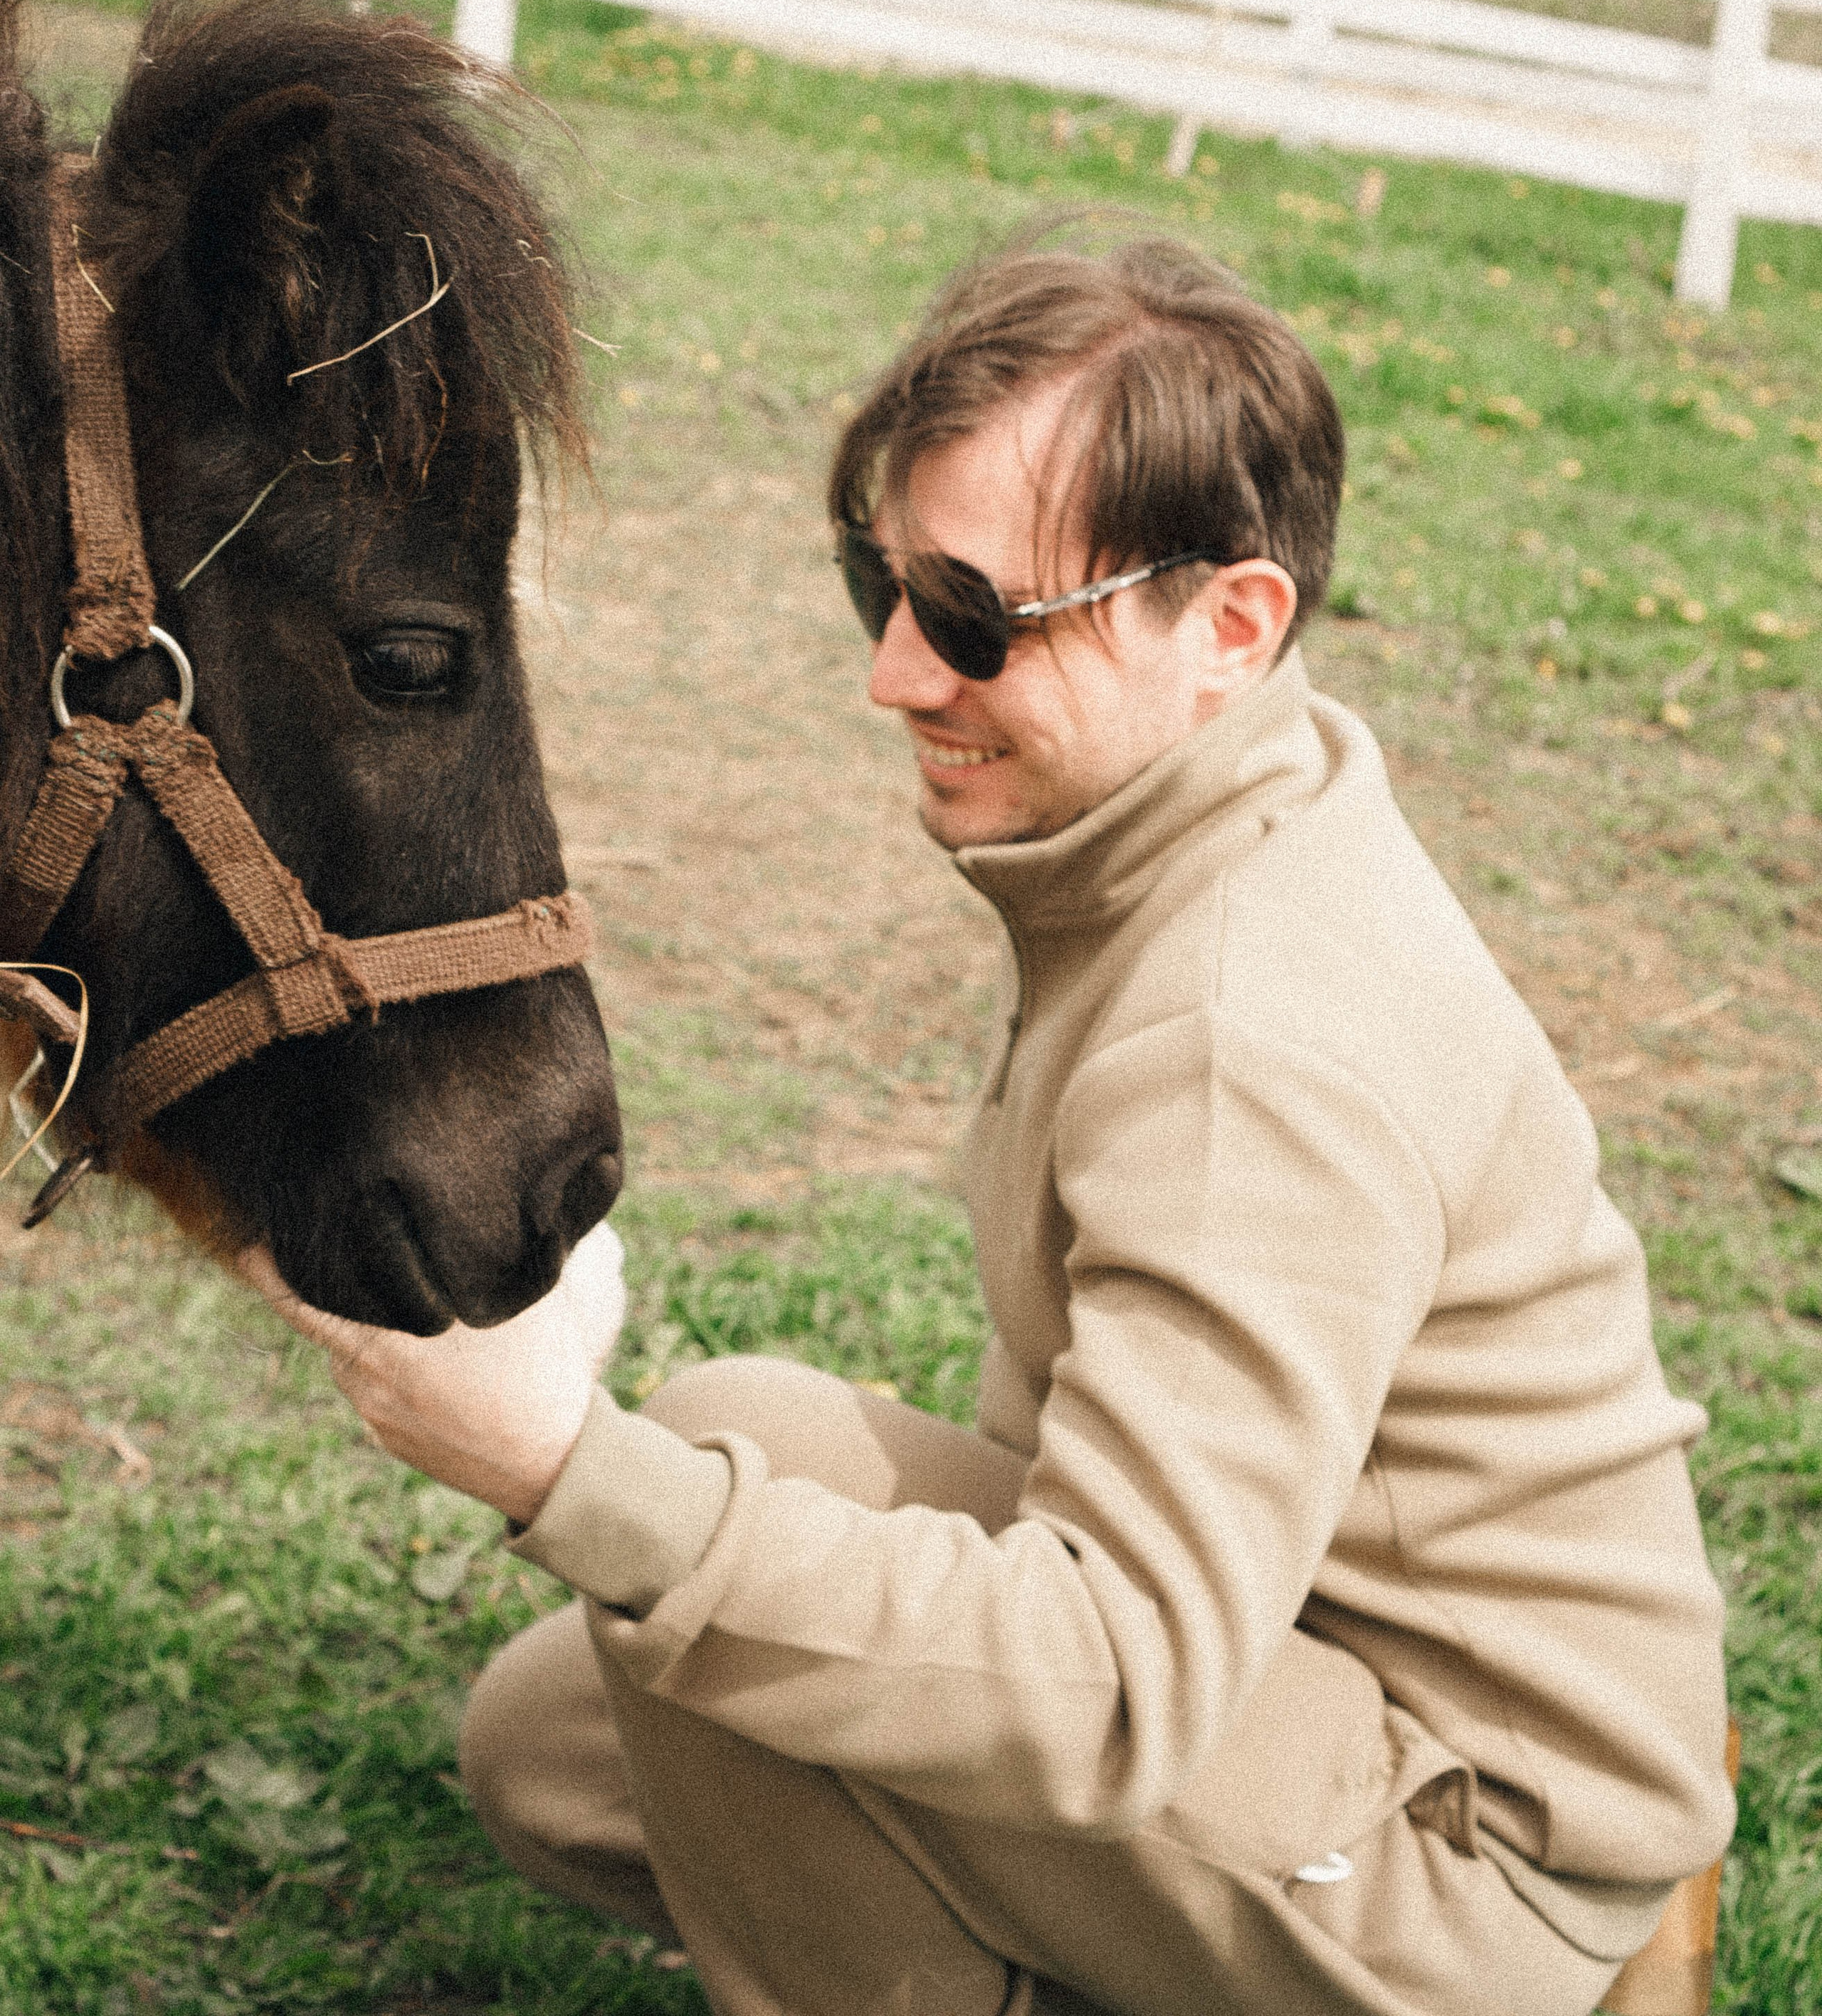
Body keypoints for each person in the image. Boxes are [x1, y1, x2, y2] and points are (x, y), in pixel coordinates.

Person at [246, 234, 1734, 2016]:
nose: (893, 674)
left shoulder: (1245, 1042)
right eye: (876, 588)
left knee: (711, 1561)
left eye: (971, 617)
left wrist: (559, 1468)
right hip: (1305, 1678)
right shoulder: (1209, 824)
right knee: (556, 1743)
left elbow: (1109, 1686)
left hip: (1472, 1858)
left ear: (1229, 627)